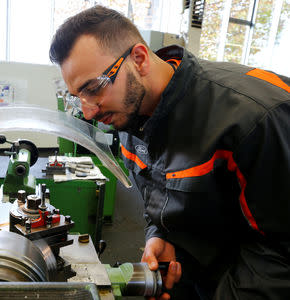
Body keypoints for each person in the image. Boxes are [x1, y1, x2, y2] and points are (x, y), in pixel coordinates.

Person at [49, 5, 290, 300]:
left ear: (138, 59)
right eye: (78, 97)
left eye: (94, 88)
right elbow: (160, 203)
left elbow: (281, 251)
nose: (88, 111)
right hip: (199, 276)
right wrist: (160, 235)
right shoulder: (129, 120)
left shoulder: (253, 119)